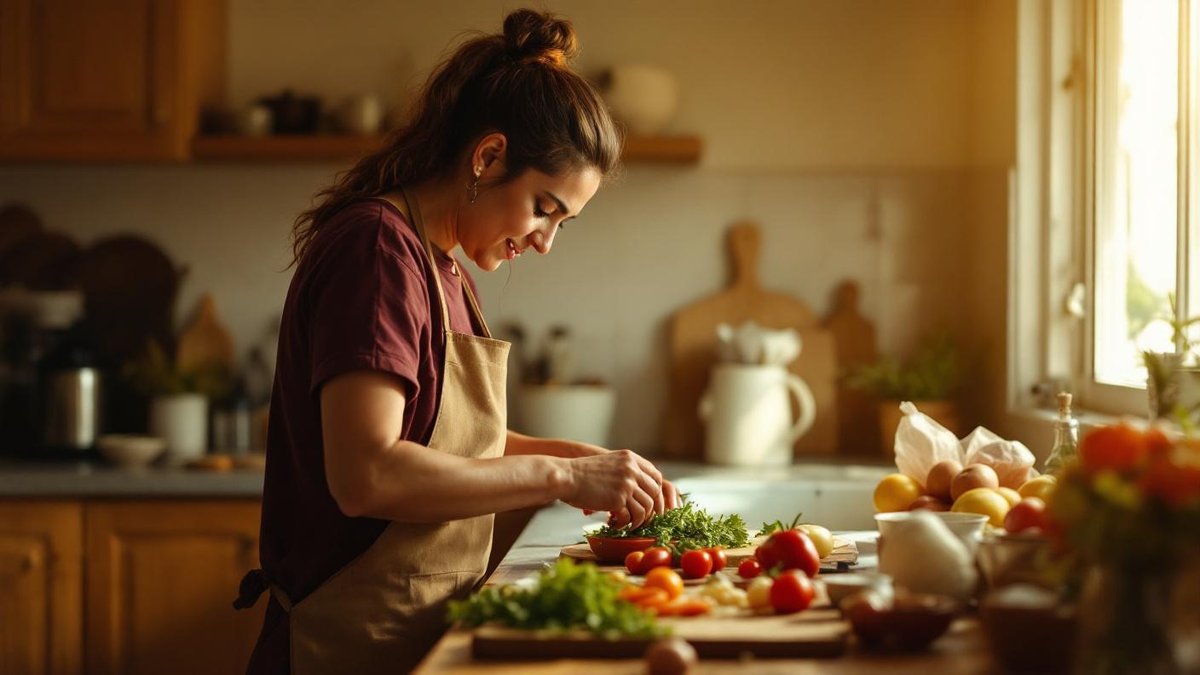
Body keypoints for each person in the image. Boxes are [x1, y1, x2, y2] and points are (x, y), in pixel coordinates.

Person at [234, 9, 678, 675]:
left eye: (565, 223)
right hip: (348, 645)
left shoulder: (442, 266)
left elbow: (451, 446)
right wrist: (564, 474)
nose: (544, 242)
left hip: (411, 637)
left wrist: (582, 457)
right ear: (488, 155)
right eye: (544, 208)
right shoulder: (377, 252)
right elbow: (370, 473)